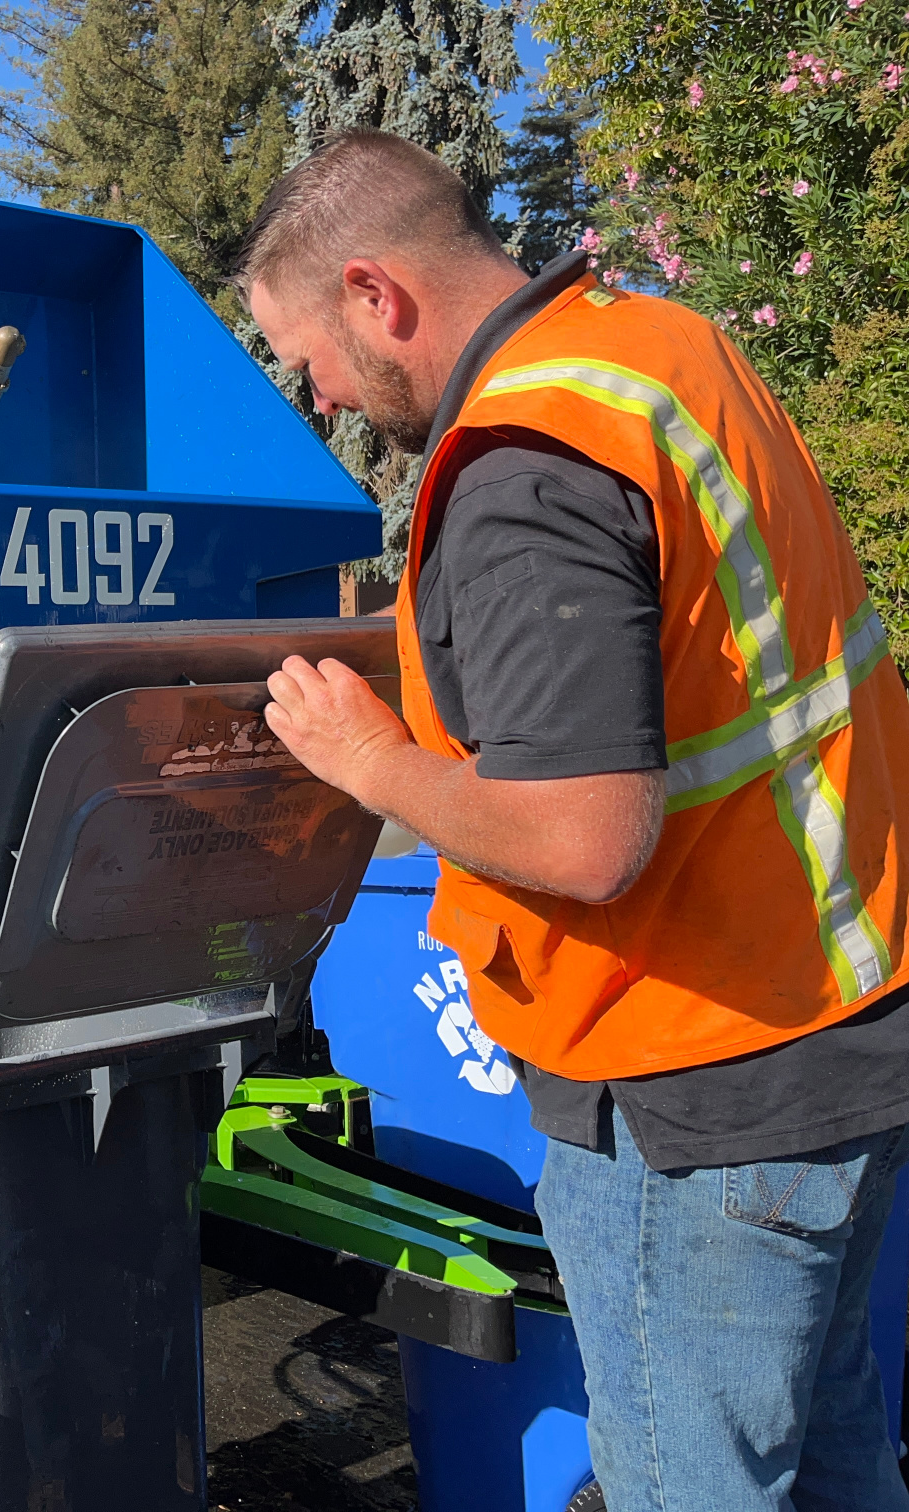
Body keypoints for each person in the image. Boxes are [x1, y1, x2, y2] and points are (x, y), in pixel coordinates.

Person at [236, 129, 909, 1509]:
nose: (321, 400)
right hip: (834, 1018)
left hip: (690, 1083)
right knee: (835, 1464)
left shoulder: (523, 474)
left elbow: (583, 837)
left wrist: (366, 757)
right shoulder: (657, 351)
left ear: (377, 294)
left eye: (307, 359)